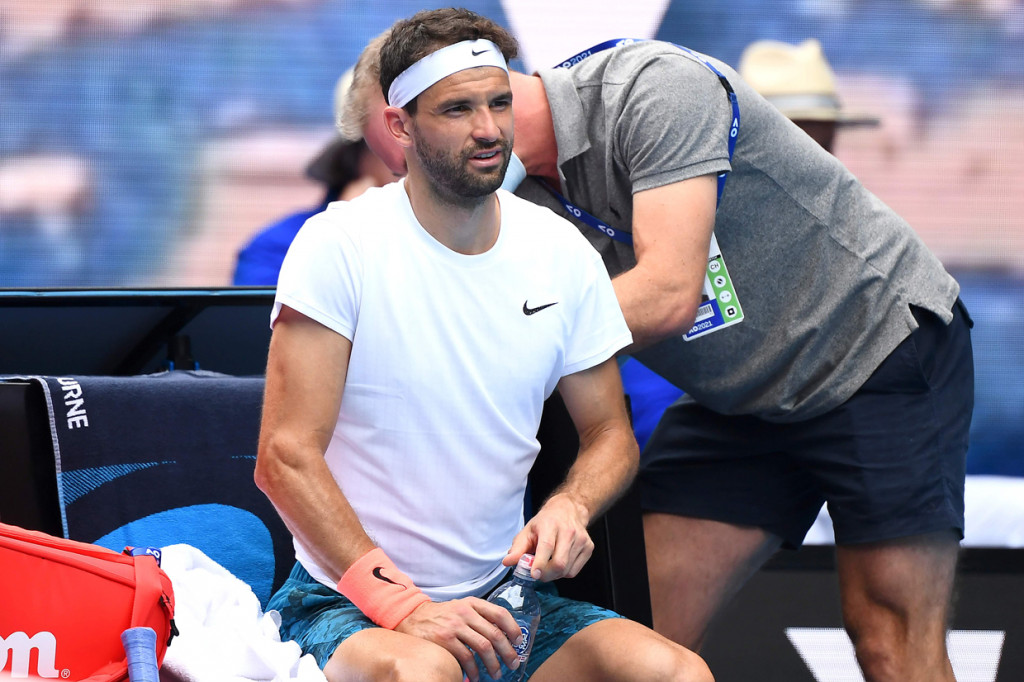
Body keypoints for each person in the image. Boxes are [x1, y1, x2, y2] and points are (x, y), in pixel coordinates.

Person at [342, 12, 974, 682]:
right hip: (736, 397)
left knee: (888, 641)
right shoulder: (505, 203)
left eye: (411, 170)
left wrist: (487, 343)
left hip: (874, 348)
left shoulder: (653, 88)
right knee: (632, 641)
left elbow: (671, 292)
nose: (416, 195)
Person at [254, 9, 712, 682]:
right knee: (424, 674)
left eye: (499, 102)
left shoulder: (561, 252)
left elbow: (611, 434)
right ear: (400, 126)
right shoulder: (338, 243)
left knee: (679, 675)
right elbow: (283, 456)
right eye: (457, 109)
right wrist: (402, 605)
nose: (488, 129)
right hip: (344, 602)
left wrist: (571, 504)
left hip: (506, 606)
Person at [619, 37, 884, 449]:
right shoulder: (662, 210)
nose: (814, 159)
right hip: (673, 430)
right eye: (795, 138)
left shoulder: (853, 238)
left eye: (824, 142)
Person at [232, 70, 394, 285]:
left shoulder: (450, 245)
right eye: (395, 136)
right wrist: (343, 244)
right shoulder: (277, 249)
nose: (414, 161)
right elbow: (260, 317)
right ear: (354, 156)